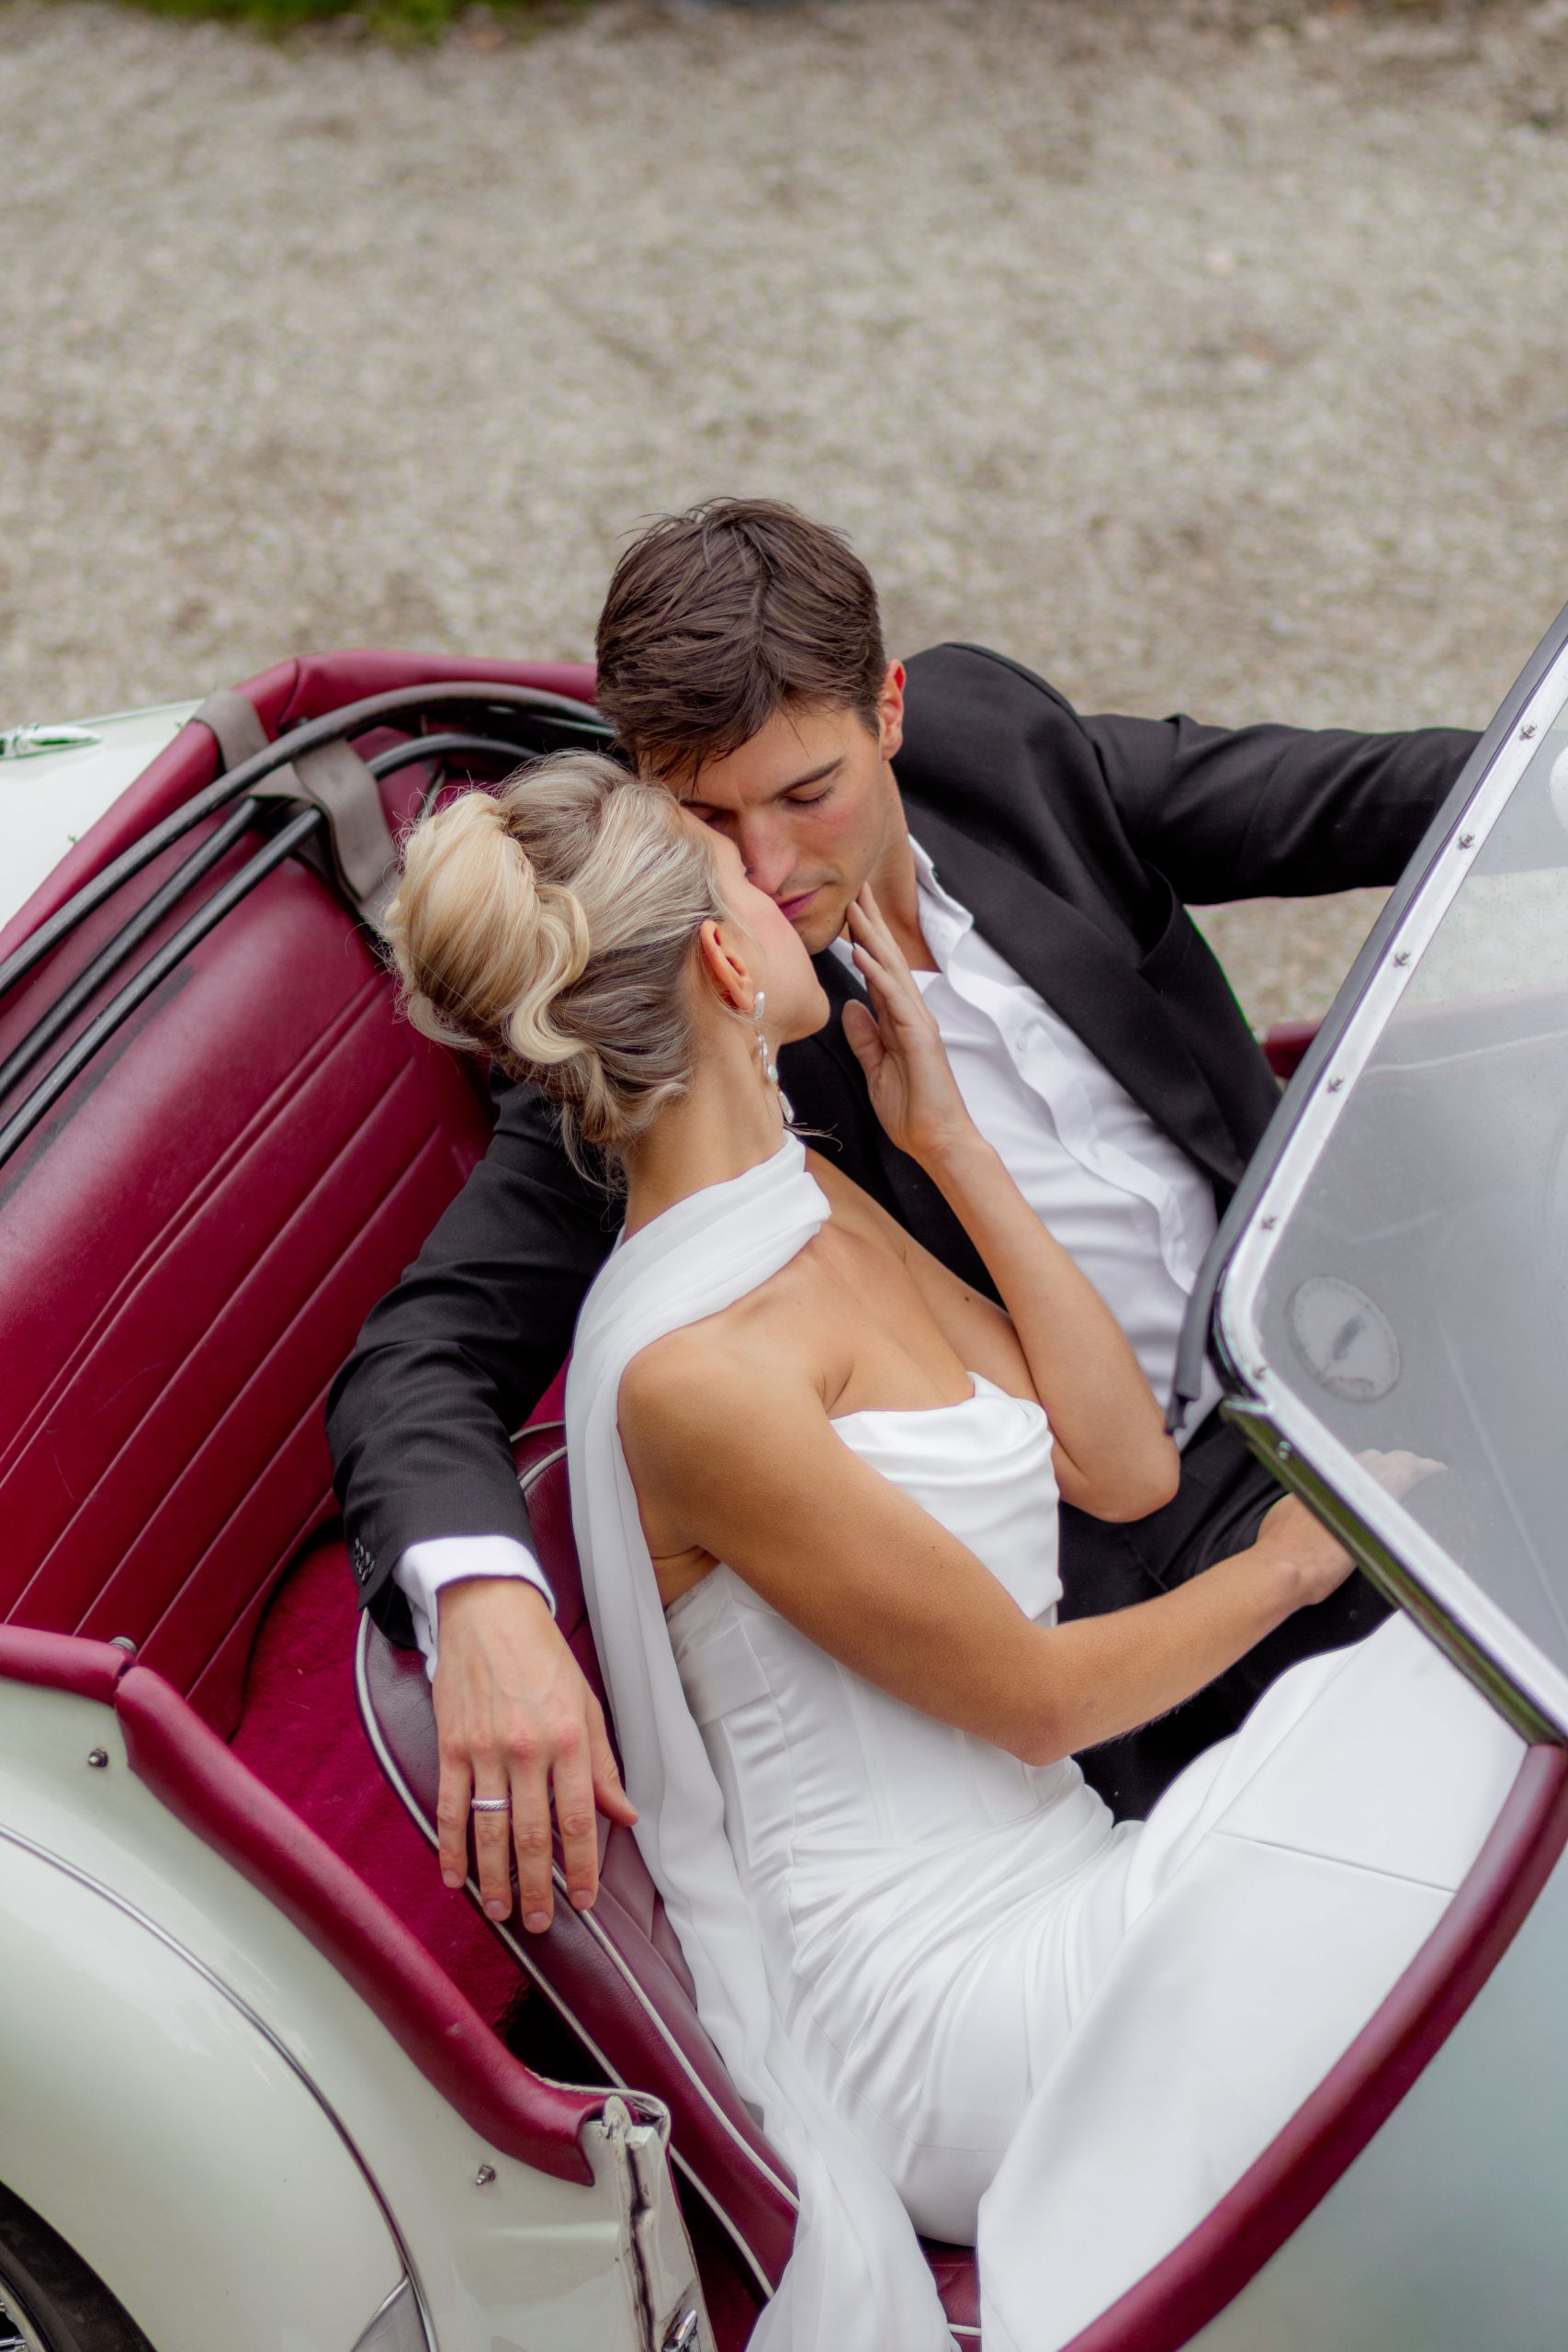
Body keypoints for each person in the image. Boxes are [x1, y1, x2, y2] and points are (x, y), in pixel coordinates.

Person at [375, 752, 1522, 2352]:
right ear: (723, 961)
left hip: (1073, 1870)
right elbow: (1042, 1704)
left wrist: (957, 1142)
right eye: (734, 889)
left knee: (1486, 1708)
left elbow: (1113, 1466)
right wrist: (1286, 1564)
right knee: (1463, 1723)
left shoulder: (814, 1186)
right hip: (934, 2005)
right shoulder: (697, 1374)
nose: (777, 893)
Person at [326, 498, 1482, 1939]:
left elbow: (1331, 800)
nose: (763, 866)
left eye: (806, 792)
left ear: (889, 711)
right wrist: (484, 1602)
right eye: (703, 814)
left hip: (1339, 1345)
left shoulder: (995, 746)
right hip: (1135, 1589)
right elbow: (422, 1356)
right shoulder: (673, 1028)